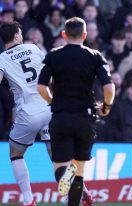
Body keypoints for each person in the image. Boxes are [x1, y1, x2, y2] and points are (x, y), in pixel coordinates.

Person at [37, 17, 115, 206]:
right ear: (85, 35)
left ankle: (65, 175)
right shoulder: (95, 56)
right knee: (79, 172)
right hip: (85, 117)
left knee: (60, 166)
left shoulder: (53, 55)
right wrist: (106, 106)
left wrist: (52, 101)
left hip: (61, 116)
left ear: (63, 35)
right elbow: (109, 88)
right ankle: (73, 182)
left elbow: (41, 86)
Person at [0, 21, 50, 206]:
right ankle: (76, 193)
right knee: (57, 157)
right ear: (15, 36)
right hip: (48, 107)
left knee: (15, 154)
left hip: (28, 113)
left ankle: (29, 200)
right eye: (20, 32)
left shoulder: (2, 59)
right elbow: (48, 74)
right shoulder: (33, 48)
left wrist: (15, 86)